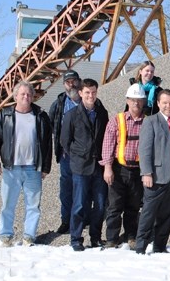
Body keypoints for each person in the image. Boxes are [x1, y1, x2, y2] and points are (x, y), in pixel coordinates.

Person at [0, 81, 52, 247]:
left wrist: (45, 167)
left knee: (33, 205)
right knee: (8, 204)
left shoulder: (40, 116)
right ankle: (6, 235)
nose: (26, 97)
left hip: (33, 168)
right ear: (15, 96)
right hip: (11, 168)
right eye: (22, 94)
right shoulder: (6, 115)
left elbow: (47, 144)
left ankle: (29, 236)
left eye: (29, 94)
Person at [134, 89, 170, 254]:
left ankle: (160, 246)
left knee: (167, 213)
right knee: (149, 213)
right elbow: (144, 149)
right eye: (164, 102)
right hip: (156, 175)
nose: (168, 106)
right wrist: (146, 173)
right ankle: (140, 247)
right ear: (158, 103)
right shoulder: (151, 121)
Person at [60, 78, 109, 251]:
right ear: (80, 93)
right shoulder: (71, 115)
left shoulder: (102, 113)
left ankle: (95, 237)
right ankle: (76, 239)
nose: (91, 95)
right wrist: (78, 154)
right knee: (80, 204)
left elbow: (106, 137)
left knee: (101, 203)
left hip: (99, 165)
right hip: (81, 166)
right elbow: (65, 140)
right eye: (87, 92)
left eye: (94, 92)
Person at [100, 84, 147, 249]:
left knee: (133, 207)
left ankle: (131, 236)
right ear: (127, 100)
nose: (136, 103)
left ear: (144, 102)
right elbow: (108, 145)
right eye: (133, 100)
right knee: (114, 207)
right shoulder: (117, 120)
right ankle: (112, 239)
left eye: (139, 100)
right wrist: (107, 167)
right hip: (118, 171)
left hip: (138, 171)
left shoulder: (147, 122)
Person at [48, 70, 81, 234]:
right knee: (66, 188)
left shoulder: (87, 100)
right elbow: (51, 125)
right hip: (66, 155)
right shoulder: (59, 103)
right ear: (64, 85)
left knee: (82, 187)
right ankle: (66, 220)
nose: (72, 84)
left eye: (74, 81)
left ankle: (81, 219)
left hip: (83, 155)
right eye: (68, 82)